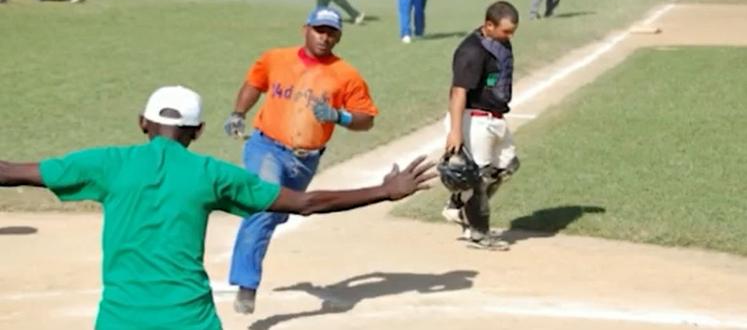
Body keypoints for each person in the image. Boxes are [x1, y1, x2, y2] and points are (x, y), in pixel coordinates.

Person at [0, 85, 434, 330]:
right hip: (190, 320)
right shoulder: (210, 173)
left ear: (143, 123)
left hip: (119, 320)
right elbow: (304, 202)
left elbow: (11, 172)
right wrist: (384, 190)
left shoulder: (107, 164)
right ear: (198, 130)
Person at [223, 6, 379, 314]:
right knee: (264, 206)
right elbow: (254, 83)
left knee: (281, 212)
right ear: (305, 29)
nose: (324, 37)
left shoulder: (346, 74)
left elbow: (367, 119)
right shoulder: (276, 58)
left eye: (331, 32)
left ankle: (255, 241)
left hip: (305, 161)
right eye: (319, 30)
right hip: (265, 147)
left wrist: (340, 116)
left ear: (339, 36)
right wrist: (238, 113)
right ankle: (246, 284)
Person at [442, 1, 522, 250]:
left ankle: (457, 204)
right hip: (474, 119)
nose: (510, 37)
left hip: (495, 118)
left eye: (512, 32)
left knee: (507, 166)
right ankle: (478, 234)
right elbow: (458, 92)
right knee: (479, 179)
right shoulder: (472, 51)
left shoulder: (497, 44)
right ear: (489, 25)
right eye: (506, 31)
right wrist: (456, 131)